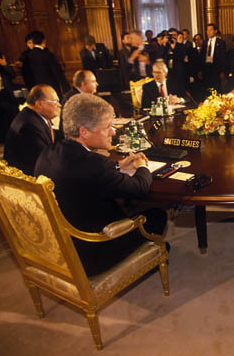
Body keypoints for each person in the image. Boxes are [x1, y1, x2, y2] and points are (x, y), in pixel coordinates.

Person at [34, 93, 167, 277]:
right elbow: (140, 188)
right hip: (93, 252)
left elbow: (86, 176)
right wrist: (142, 167)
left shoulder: (48, 153)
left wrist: (118, 166)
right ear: (84, 132)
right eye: (107, 127)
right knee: (158, 213)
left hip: (62, 246)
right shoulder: (96, 165)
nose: (113, 131)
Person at [3, 85, 61, 175]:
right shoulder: (29, 125)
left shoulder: (33, 116)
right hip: (28, 179)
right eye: (55, 101)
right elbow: (46, 158)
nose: (59, 105)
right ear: (39, 104)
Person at [27, 30, 69, 98]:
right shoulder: (48, 55)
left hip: (38, 88)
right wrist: (65, 87)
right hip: (51, 87)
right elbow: (57, 72)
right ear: (44, 40)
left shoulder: (28, 56)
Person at [203, 23, 227, 93]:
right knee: (207, 90)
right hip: (206, 69)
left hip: (216, 69)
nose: (208, 32)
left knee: (216, 90)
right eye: (207, 30)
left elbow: (223, 58)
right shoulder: (205, 42)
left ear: (215, 31)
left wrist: (222, 71)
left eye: (210, 30)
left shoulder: (221, 42)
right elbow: (202, 57)